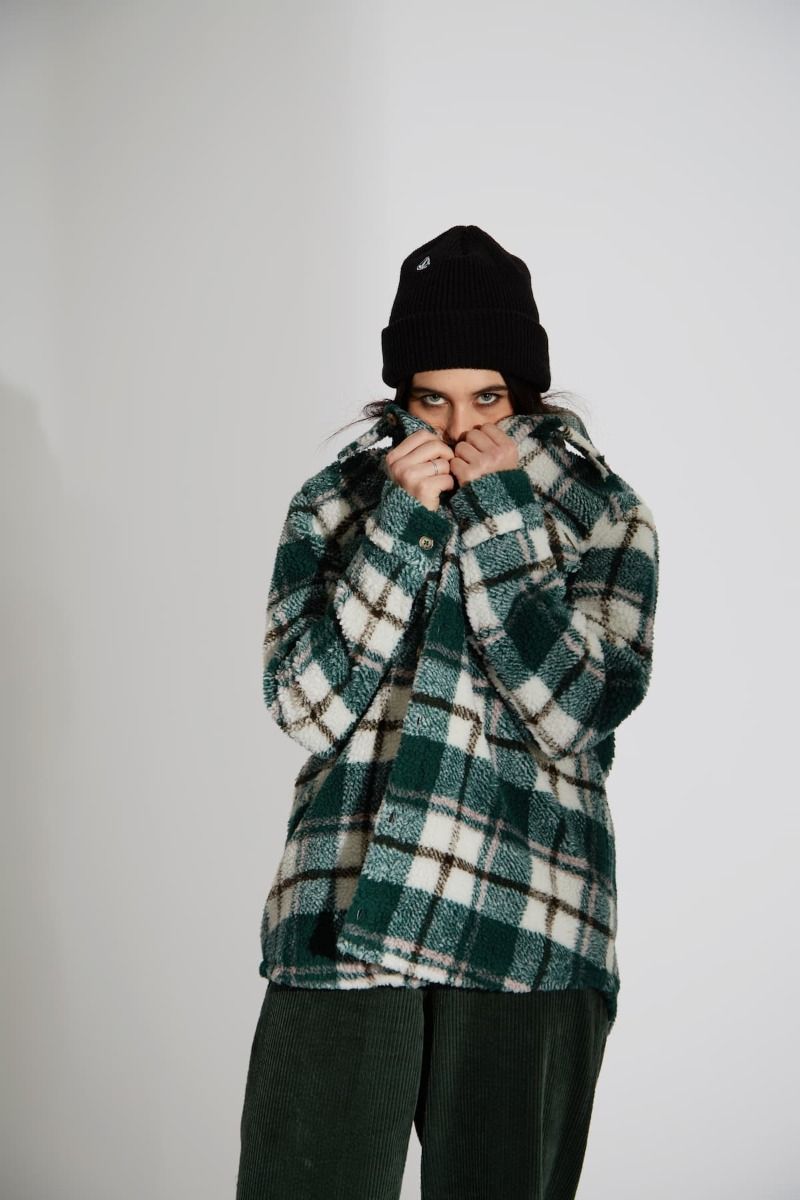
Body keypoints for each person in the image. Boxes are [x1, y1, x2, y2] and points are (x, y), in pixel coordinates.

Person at [235, 225, 660, 1199]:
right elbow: (303, 707)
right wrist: (399, 528)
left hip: (529, 923)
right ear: (400, 394)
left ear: (524, 395)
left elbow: (577, 712)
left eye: (487, 399)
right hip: (342, 913)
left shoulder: (603, 512)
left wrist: (503, 517)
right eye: (432, 398)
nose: (459, 425)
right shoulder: (335, 503)